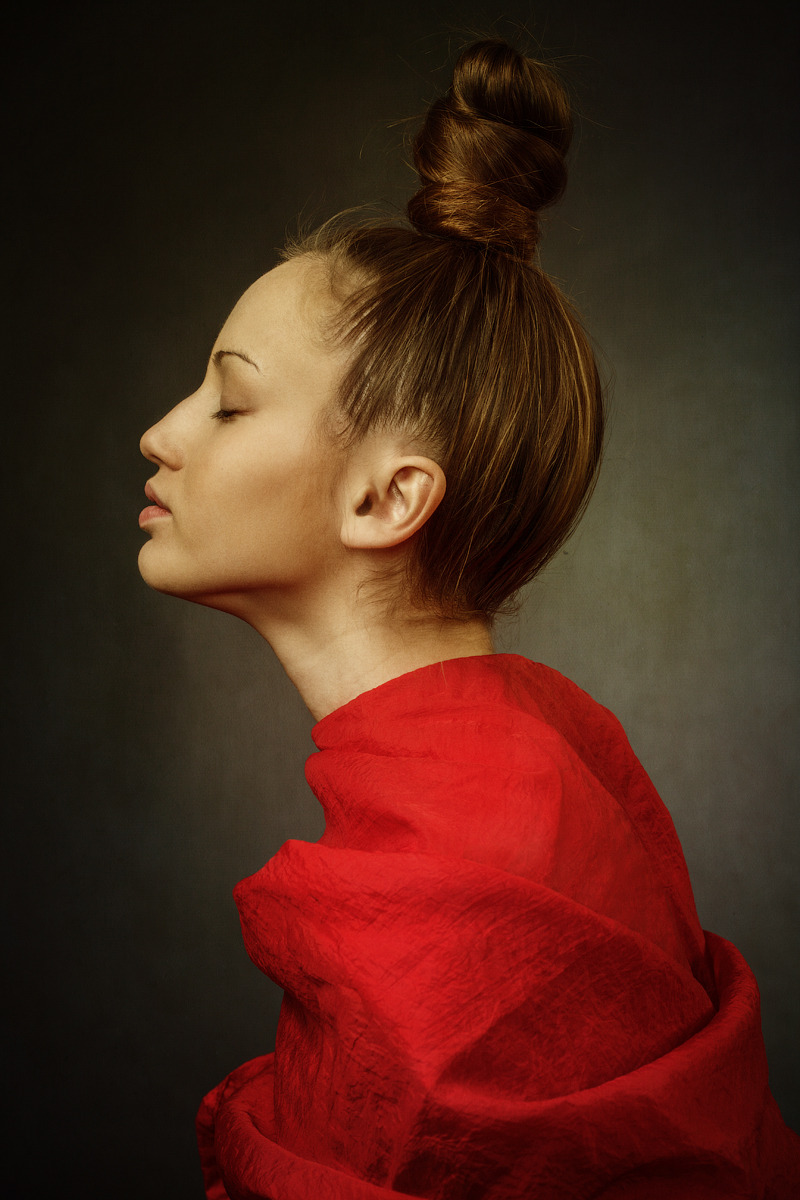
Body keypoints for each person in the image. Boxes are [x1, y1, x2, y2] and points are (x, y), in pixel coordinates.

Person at [138, 38, 799, 1200]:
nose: (163, 432)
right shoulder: (551, 762)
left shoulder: (458, 863)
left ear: (388, 497)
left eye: (230, 402)